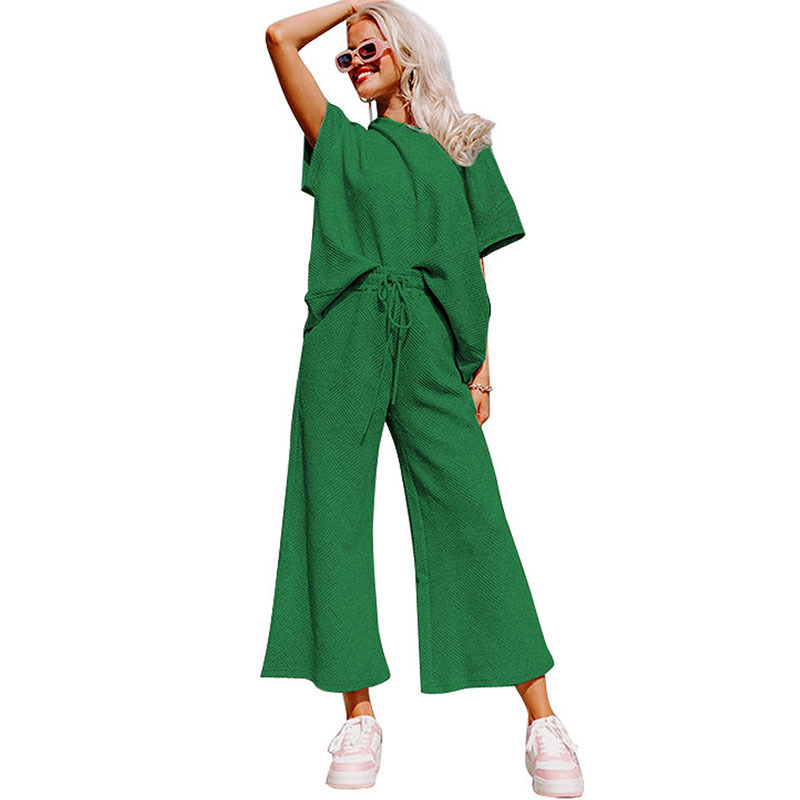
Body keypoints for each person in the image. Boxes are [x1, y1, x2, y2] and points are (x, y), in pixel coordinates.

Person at [261, 2, 584, 795]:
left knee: (473, 512)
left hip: (434, 342)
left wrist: (480, 369)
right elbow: (277, 38)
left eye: (367, 49)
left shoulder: (465, 143)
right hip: (343, 337)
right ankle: (358, 714)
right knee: (332, 515)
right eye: (346, 57)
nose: (354, 64)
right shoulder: (338, 140)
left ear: (406, 53)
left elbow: (474, 264)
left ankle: (542, 718)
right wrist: (352, 8)